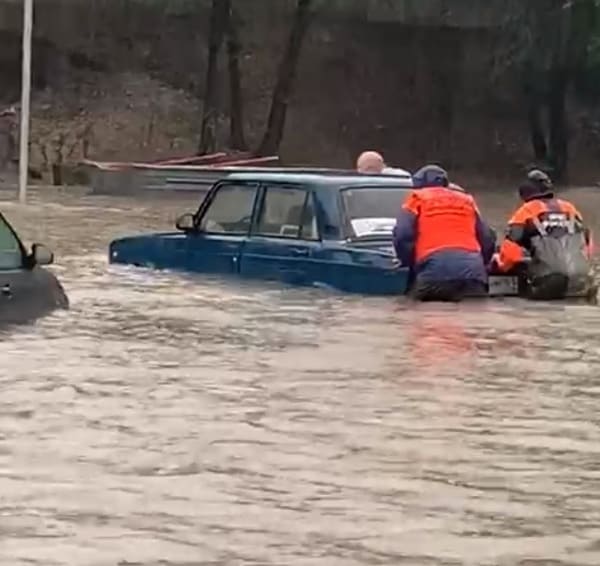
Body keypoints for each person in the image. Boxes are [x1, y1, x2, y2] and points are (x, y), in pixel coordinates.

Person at [393, 164, 496, 301]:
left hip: (434, 272)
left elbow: (402, 235)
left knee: (414, 313)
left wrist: (406, 261)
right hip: (473, 273)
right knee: (475, 316)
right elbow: (487, 238)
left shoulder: (417, 197)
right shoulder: (467, 200)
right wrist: (480, 264)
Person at [494, 169, 594, 300]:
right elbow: (588, 247)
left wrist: (499, 265)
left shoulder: (526, 211)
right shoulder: (570, 209)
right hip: (582, 282)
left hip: (546, 284)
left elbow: (509, 256)